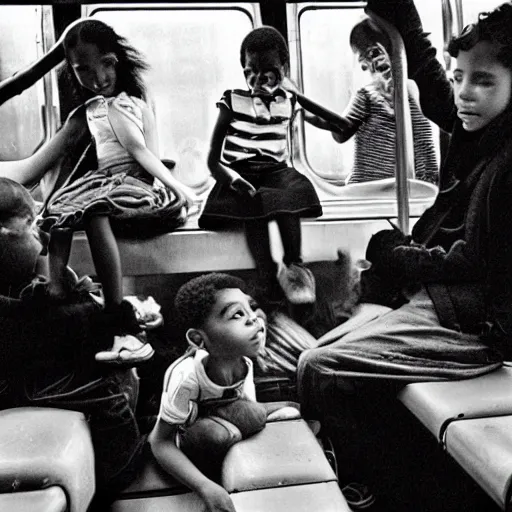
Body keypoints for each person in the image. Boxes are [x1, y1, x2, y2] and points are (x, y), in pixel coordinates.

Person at [298, 1, 512, 509]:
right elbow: (436, 91)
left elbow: (471, 263)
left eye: (482, 80)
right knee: (311, 360)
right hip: (446, 298)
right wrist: (407, 25)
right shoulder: (478, 130)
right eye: (461, 75)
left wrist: (397, 252)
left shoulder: (506, 167)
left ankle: (386, 492)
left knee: (320, 370)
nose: (464, 92)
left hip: (480, 321)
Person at [0, 19, 198, 357]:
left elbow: (142, 151)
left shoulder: (128, 106)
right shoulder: (87, 113)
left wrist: (176, 186)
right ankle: (57, 287)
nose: (95, 80)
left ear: (114, 61)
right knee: (58, 216)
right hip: (106, 182)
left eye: (102, 67)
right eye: (82, 71)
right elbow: (36, 168)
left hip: (131, 185)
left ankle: (115, 312)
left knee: (92, 213)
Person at [0, 177, 148, 505]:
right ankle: (120, 470)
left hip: (34, 373)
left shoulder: (24, 274)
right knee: (104, 394)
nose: (42, 240)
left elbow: (73, 301)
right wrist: (111, 315)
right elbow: (51, 328)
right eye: (31, 227)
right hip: (19, 387)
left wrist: (64, 284)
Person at [198, 26, 347, 306]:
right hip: (240, 172)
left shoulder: (288, 103)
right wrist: (232, 180)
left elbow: (342, 127)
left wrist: (295, 93)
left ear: (284, 68)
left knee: (287, 193)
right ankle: (266, 274)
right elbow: (212, 159)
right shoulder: (232, 100)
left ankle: (294, 266)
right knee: (253, 203)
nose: (257, 78)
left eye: (268, 70)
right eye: (250, 70)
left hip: (276, 171)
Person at [149, 273, 299, 512]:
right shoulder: (187, 376)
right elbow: (159, 442)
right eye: (236, 315)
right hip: (192, 433)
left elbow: (246, 405)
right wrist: (205, 487)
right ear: (199, 338)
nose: (254, 320)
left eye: (251, 309)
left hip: (227, 415)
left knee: (276, 411)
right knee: (217, 435)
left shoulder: (244, 364)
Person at [338, 18, 438, 185]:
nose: (371, 64)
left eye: (376, 53)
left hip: (405, 189)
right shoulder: (367, 96)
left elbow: (425, 148)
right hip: (371, 191)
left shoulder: (414, 92)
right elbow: (340, 133)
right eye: (366, 59)